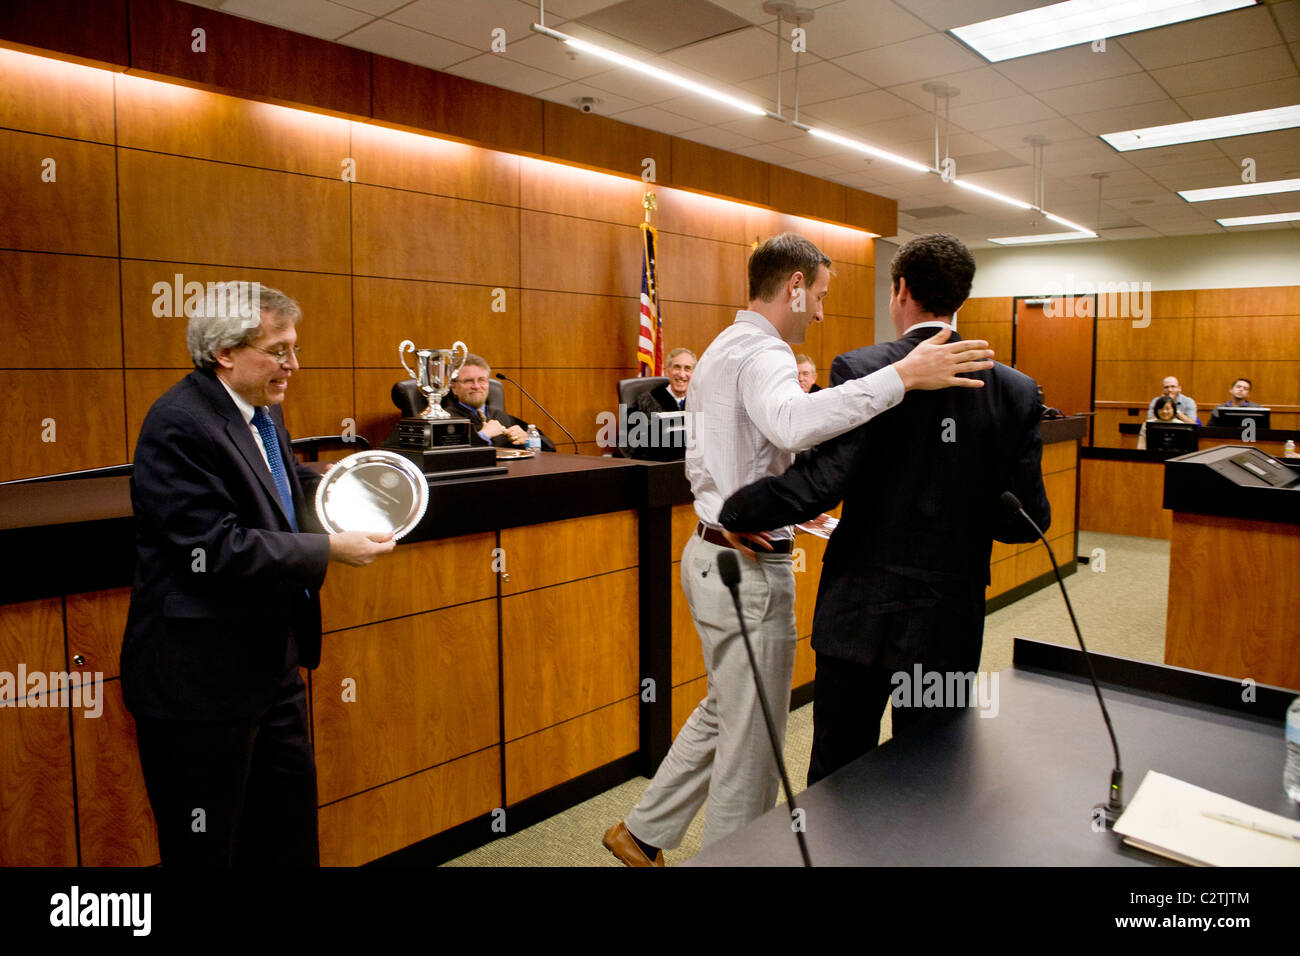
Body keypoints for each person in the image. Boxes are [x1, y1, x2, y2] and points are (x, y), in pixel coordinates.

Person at [601, 232, 996, 866]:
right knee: (752, 741)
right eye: (818, 295)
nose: (819, 311)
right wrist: (902, 375)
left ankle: (642, 831)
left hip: (716, 552)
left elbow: (743, 455)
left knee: (730, 705)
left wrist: (741, 504)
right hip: (746, 568)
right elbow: (792, 423)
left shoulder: (723, 347)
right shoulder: (766, 354)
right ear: (793, 286)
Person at [718, 233, 1050, 785]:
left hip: (859, 616)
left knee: (838, 772)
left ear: (901, 290)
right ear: (960, 298)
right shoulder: (1015, 391)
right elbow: (1026, 522)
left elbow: (820, 484)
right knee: (930, 774)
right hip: (948, 620)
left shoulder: (864, 367)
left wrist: (733, 511)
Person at [122, 282, 395, 866]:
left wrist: (355, 491)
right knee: (211, 847)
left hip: (272, 665)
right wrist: (328, 550)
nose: (292, 365)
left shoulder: (261, 411)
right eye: (279, 350)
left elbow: (280, 491)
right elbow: (213, 546)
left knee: (287, 831)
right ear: (225, 352)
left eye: (293, 349)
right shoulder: (180, 423)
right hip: (200, 682)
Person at [441, 353, 555, 451]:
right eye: (468, 381)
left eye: (482, 380)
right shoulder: (446, 420)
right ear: (454, 387)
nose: (476, 386)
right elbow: (447, 458)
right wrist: (484, 436)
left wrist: (528, 439)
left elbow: (550, 446)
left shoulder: (501, 417)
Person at [628, 347, 694, 461]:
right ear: (667, 370)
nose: (682, 374)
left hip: (694, 471)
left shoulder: (699, 402)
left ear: (694, 373)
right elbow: (633, 444)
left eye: (687, 369)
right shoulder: (645, 402)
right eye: (677, 367)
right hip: (658, 469)